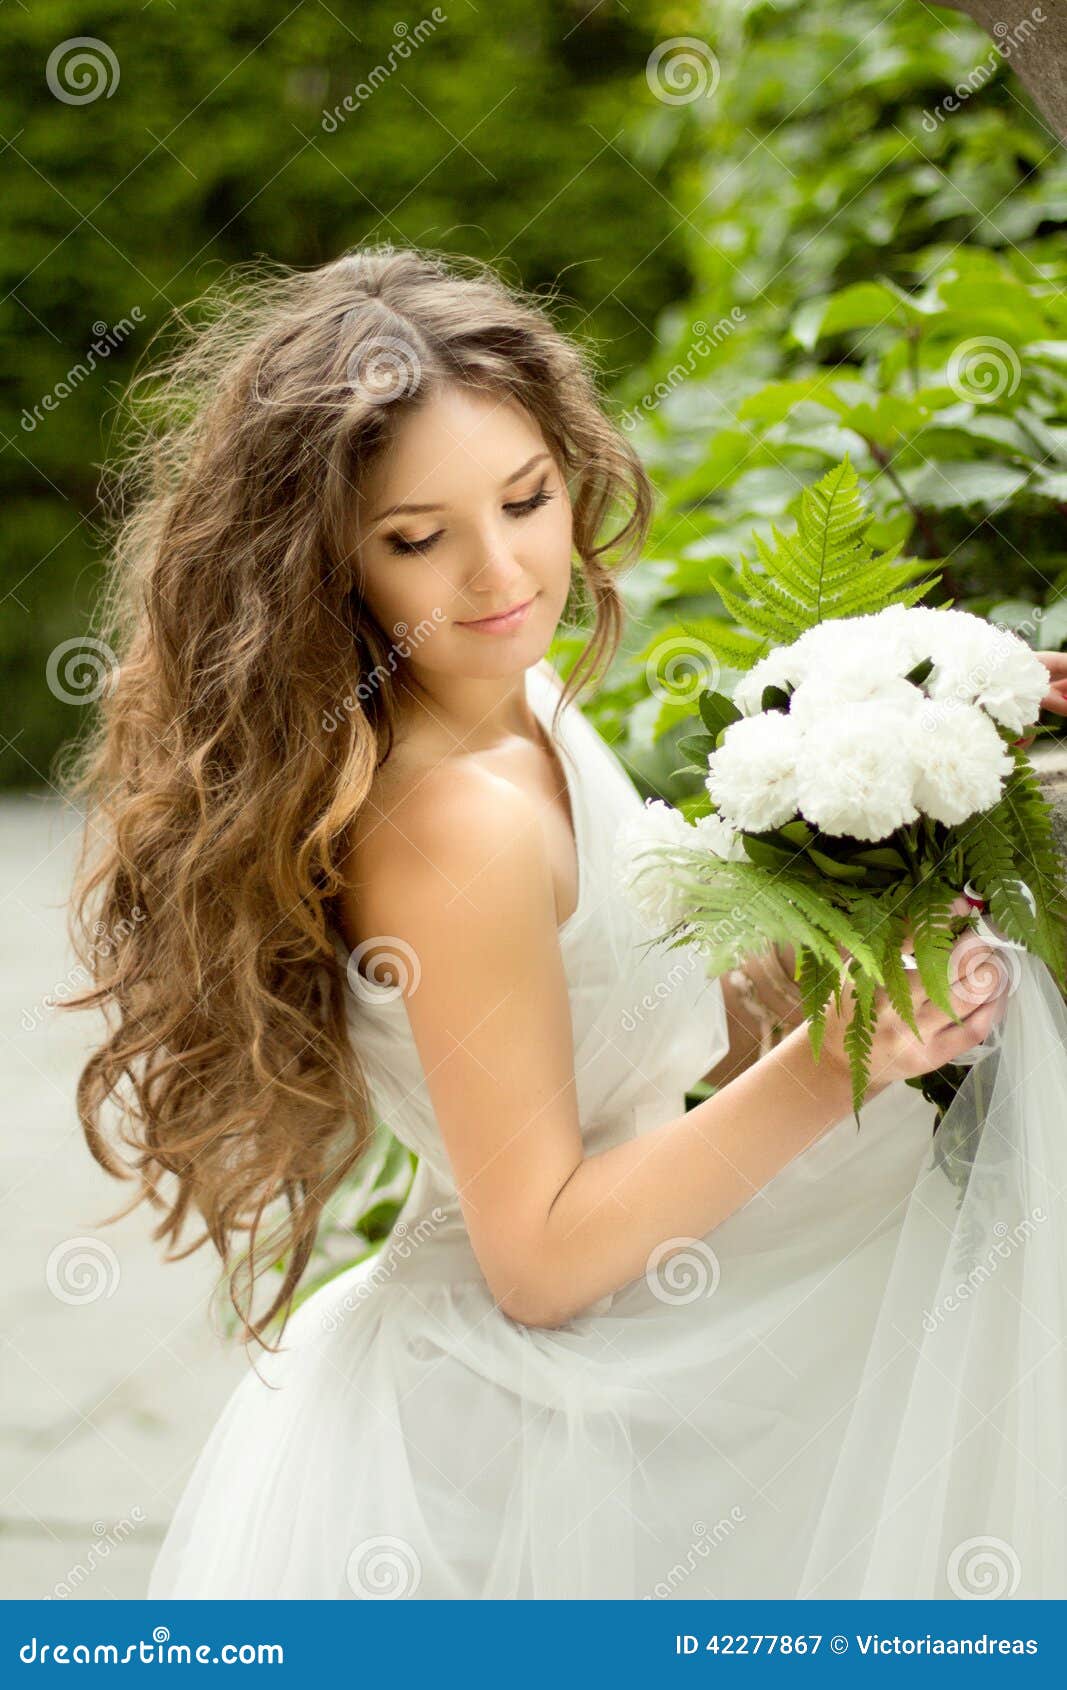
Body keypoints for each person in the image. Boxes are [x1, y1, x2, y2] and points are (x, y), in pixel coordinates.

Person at [64, 245, 1067, 1600]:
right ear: (327, 564)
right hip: (516, 1447)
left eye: (527, 499)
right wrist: (851, 1058)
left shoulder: (508, 698)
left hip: (643, 1342)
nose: (500, 572)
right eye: (417, 538)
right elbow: (536, 1255)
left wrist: (904, 765)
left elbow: (618, 1001)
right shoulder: (449, 823)